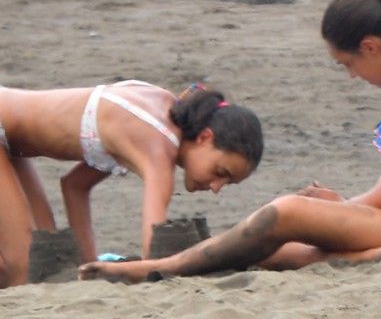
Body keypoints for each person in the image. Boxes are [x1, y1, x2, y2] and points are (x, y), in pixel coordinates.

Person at [80, 0, 381, 280]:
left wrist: (340, 206)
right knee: (260, 247)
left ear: (370, 46)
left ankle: (159, 268)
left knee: (286, 212)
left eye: (348, 64)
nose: (352, 75)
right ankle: (357, 258)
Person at [0, 81, 262, 286]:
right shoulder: (159, 144)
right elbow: (154, 253)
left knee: (43, 260)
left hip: (14, 141)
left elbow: (75, 186)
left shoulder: (158, 113)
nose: (216, 187)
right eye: (220, 172)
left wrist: (90, 268)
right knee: (19, 267)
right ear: (205, 137)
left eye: (227, 183)